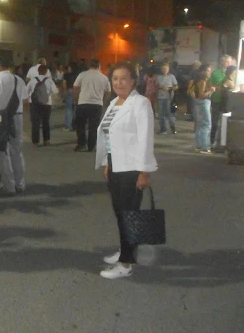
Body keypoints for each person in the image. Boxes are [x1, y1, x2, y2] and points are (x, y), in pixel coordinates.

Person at [95, 61, 157, 280]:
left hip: (132, 168)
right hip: (115, 165)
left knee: (128, 215)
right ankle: (125, 250)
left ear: (133, 81)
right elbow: (108, 136)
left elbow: (146, 139)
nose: (119, 82)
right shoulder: (114, 103)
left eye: (124, 78)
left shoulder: (140, 104)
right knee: (120, 212)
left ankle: (126, 264)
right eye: (115, 78)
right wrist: (107, 162)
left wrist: (144, 172)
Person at [0, 55, 28, 194]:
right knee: (17, 152)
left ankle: (9, 186)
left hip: (0, 118)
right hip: (17, 117)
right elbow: (25, 101)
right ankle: (20, 184)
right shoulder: (18, 80)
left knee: (1, 152)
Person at [73, 59, 111, 152]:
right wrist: (103, 102)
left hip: (83, 103)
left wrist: (76, 100)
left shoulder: (82, 75)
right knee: (93, 126)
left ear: (89, 65)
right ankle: (91, 146)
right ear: (99, 66)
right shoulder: (104, 78)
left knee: (80, 125)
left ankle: (81, 144)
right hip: (97, 105)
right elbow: (108, 91)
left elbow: (76, 88)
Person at [26, 64, 59, 147]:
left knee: (35, 123)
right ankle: (46, 140)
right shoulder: (49, 81)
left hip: (34, 103)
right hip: (46, 103)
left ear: (38, 71)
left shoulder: (33, 80)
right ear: (46, 72)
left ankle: (35, 141)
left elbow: (26, 91)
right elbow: (55, 91)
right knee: (45, 122)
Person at [192, 64, 215, 154]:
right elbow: (202, 95)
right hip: (204, 103)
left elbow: (192, 92)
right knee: (206, 124)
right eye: (208, 70)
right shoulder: (203, 82)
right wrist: (211, 91)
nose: (210, 72)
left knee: (200, 125)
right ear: (203, 72)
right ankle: (205, 147)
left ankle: (199, 145)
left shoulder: (198, 81)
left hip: (199, 103)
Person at [213, 65, 237, 150]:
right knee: (223, 126)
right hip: (226, 105)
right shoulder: (228, 81)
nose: (236, 74)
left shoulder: (225, 80)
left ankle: (218, 144)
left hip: (225, 104)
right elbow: (232, 90)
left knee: (222, 125)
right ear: (232, 72)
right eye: (235, 72)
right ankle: (220, 145)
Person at [209, 55, 232, 143]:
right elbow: (210, 85)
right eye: (226, 62)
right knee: (215, 120)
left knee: (226, 121)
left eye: (229, 62)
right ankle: (212, 140)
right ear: (222, 62)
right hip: (217, 99)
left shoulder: (232, 73)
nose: (228, 64)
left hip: (228, 101)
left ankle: (224, 141)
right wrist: (219, 87)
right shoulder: (215, 73)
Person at [156, 63, 178, 134]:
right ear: (161, 69)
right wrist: (160, 87)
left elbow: (176, 86)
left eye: (166, 69)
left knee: (169, 113)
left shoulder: (172, 76)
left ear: (168, 69)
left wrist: (169, 89)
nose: (164, 70)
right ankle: (163, 129)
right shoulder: (158, 77)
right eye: (163, 69)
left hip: (169, 97)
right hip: (160, 97)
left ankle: (173, 127)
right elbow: (155, 85)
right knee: (161, 114)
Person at [62, 62, 79, 131]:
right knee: (75, 109)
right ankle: (75, 125)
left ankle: (68, 126)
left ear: (70, 68)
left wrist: (64, 92)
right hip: (77, 91)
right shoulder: (78, 75)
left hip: (69, 90)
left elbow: (64, 84)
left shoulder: (66, 75)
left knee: (68, 109)